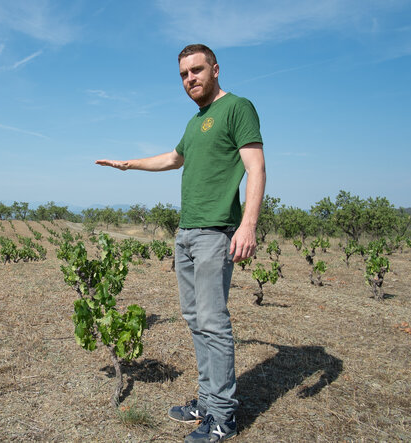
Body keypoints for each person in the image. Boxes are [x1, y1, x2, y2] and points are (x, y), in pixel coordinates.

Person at [96, 43, 265, 442]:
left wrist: (248, 225)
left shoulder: (238, 108)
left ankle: (223, 416)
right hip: (186, 233)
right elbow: (174, 158)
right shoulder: (196, 122)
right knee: (195, 321)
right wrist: (129, 164)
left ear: (215, 69)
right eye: (183, 74)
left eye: (196, 70)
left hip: (215, 232)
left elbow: (256, 167)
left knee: (213, 323)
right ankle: (206, 403)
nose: (190, 79)